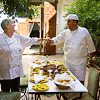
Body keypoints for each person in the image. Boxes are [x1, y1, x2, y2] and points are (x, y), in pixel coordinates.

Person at [48, 14, 96, 85]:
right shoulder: (65, 32)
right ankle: (67, 96)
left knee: (79, 82)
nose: (67, 23)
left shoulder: (84, 31)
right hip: (68, 62)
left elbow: (90, 46)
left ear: (75, 22)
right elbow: (57, 39)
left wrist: (91, 59)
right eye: (67, 21)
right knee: (67, 80)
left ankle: (79, 95)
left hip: (80, 63)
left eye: (69, 21)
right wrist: (51, 41)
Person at [0, 19, 43, 92]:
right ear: (6, 26)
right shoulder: (1, 39)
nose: (14, 25)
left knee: (16, 92)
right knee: (5, 93)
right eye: (12, 23)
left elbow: (29, 40)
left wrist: (42, 39)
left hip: (16, 71)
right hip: (5, 73)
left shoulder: (16, 37)